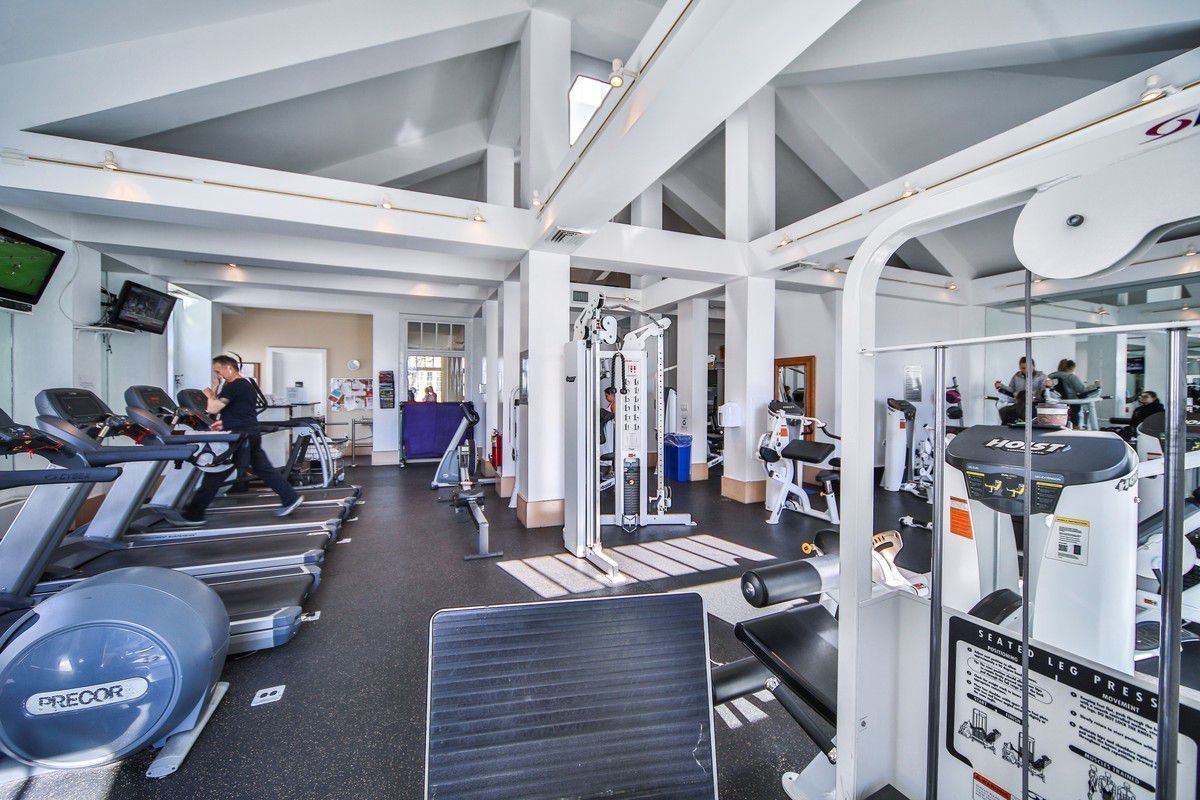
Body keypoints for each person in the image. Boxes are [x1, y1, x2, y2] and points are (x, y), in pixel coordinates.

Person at [181, 355, 304, 523]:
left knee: (215, 473)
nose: (217, 375)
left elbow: (212, 408)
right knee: (264, 469)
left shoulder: (234, 386)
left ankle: (193, 514)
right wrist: (223, 422)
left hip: (238, 437)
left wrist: (211, 392)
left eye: (218, 371)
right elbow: (237, 411)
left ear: (229, 368)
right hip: (248, 432)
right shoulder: (245, 384)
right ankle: (290, 498)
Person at [994, 357, 1050, 424]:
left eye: (1028, 367)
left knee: (1016, 411)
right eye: (1023, 368)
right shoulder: (1016, 376)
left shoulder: (1041, 376)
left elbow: (1044, 392)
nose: (1026, 370)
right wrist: (1001, 386)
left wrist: (1048, 386)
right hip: (1019, 402)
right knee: (1003, 411)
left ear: (1033, 366)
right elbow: (1012, 389)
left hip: (1034, 403)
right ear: (1020, 368)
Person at [1048, 358, 1100, 427]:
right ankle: (1075, 427)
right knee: (1075, 417)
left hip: (1055, 404)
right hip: (1071, 403)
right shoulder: (1071, 377)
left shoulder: (1051, 376)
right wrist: (1096, 385)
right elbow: (1082, 390)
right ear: (1072, 368)